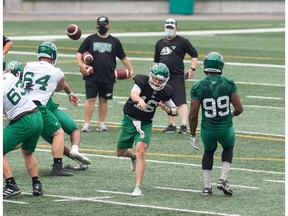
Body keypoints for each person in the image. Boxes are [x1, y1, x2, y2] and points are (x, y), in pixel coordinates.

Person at [8, 60, 91, 170]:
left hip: (33, 110)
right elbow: (60, 80)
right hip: (39, 108)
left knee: (27, 141)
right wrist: (69, 93)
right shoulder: (34, 70)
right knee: (61, 133)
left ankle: (70, 156)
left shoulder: (16, 81)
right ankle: (61, 163)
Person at [116, 63, 178, 196]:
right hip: (129, 120)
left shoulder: (166, 90)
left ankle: (137, 186)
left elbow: (175, 110)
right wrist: (139, 100)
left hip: (145, 123)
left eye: (160, 80)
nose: (157, 82)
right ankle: (132, 157)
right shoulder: (141, 81)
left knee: (141, 151)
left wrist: (167, 109)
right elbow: (133, 94)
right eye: (155, 78)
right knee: (120, 152)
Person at [188, 52, 243, 196]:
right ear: (221, 66)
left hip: (208, 129)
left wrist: (192, 134)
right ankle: (223, 179)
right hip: (226, 128)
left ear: (205, 66)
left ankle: (207, 187)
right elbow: (239, 109)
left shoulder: (198, 85)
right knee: (228, 148)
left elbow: (193, 115)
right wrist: (230, 115)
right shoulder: (228, 83)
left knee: (208, 152)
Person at [22, 41, 73, 176]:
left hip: (21, 105)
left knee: (18, 138)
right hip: (37, 107)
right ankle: (57, 166)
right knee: (58, 133)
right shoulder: (57, 72)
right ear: (53, 55)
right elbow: (59, 87)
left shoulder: (28, 66)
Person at [77, 15, 134, 132]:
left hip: (108, 75)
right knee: (90, 99)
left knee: (104, 100)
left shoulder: (114, 41)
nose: (102, 27)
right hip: (92, 75)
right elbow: (79, 53)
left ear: (108, 26)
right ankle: (86, 124)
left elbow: (123, 57)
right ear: (96, 26)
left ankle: (101, 123)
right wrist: (81, 64)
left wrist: (130, 69)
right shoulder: (90, 39)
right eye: (100, 25)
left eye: (104, 25)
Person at [3, 67, 43, 198]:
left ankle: (11, 185)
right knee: (27, 153)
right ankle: (36, 184)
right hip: (37, 116)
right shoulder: (9, 77)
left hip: (22, 121)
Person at [153, 18, 198, 134]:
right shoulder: (159, 43)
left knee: (180, 101)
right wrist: (153, 74)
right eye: (167, 27)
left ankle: (183, 125)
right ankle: (171, 124)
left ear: (175, 28)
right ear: (164, 28)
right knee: (167, 101)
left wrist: (192, 68)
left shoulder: (182, 41)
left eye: (171, 28)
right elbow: (156, 60)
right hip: (163, 77)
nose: (169, 30)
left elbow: (194, 54)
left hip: (177, 75)